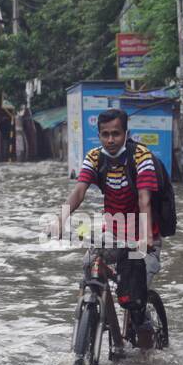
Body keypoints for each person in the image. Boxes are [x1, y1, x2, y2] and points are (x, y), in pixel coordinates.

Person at [58, 108, 161, 349]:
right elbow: (79, 191)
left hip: (143, 238)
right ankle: (98, 316)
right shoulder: (95, 157)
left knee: (134, 300)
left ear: (126, 133)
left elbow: (145, 199)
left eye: (116, 133)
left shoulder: (141, 157)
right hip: (114, 234)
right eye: (105, 134)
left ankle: (147, 356)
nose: (110, 139)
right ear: (99, 135)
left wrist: (145, 236)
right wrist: (59, 219)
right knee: (89, 265)